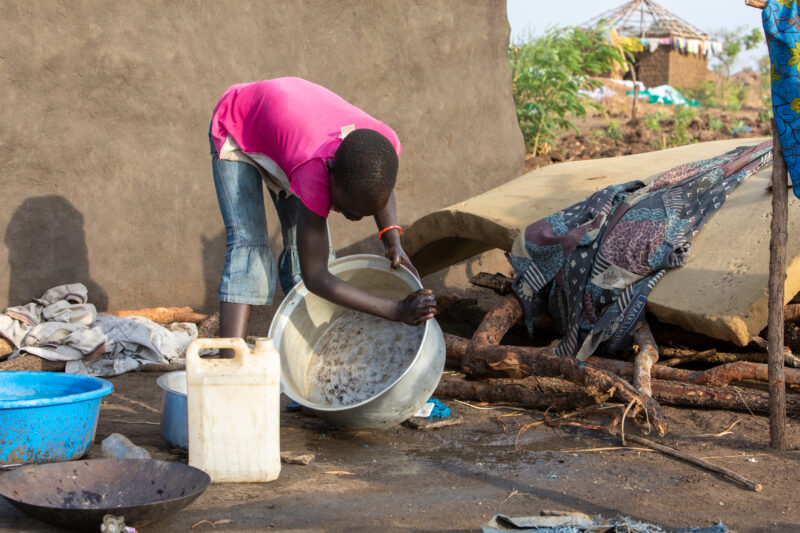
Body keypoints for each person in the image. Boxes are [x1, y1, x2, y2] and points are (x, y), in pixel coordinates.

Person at [209, 77, 436, 344]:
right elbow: (316, 276)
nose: (352, 218)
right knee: (249, 249)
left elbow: (380, 186)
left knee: (304, 250)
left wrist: (393, 242)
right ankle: (229, 363)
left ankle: (313, 345)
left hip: (289, 132)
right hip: (238, 122)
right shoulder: (314, 171)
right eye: (345, 209)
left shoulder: (385, 145)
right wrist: (396, 310)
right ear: (330, 178)